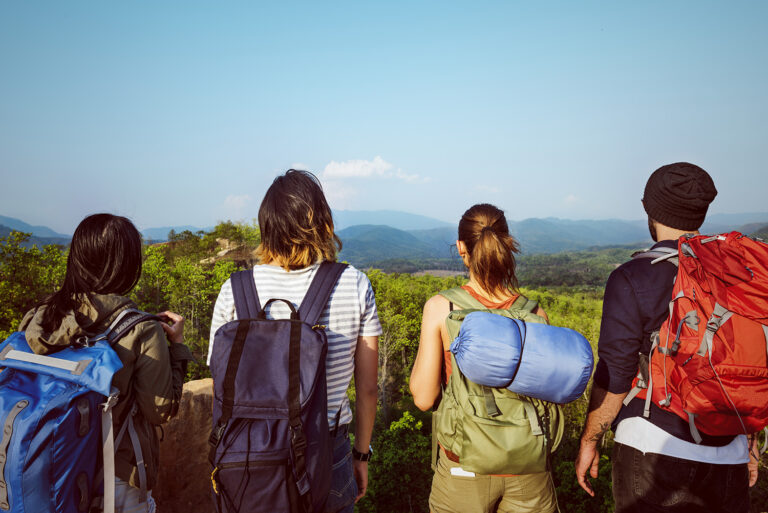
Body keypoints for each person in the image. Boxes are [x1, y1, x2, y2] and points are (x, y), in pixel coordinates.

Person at [574, 162, 759, 512]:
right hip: (729, 452)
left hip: (653, 448)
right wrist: (749, 442)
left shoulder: (633, 277)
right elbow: (746, 364)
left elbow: (615, 376)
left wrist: (589, 440)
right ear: (701, 212)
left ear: (650, 212)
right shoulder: (741, 276)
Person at [208, 169, 381, 513]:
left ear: (266, 225)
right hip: (327, 452)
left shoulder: (235, 289)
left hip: (249, 454)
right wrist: (361, 454)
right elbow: (367, 389)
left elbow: (219, 376)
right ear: (322, 221)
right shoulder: (354, 284)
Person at [19, 213, 193, 513]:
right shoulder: (141, 328)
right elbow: (160, 410)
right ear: (127, 266)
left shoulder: (41, 317)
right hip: (115, 476)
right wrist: (177, 347)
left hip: (43, 467)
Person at [410, 203, 558, 513]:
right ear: (507, 244)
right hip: (529, 468)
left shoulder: (442, 309)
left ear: (461, 248)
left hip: (463, 467)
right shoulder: (535, 313)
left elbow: (424, 398)